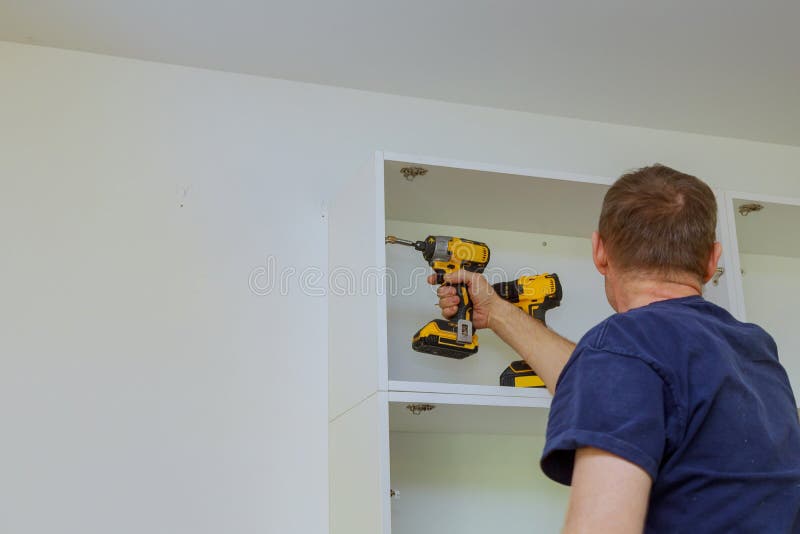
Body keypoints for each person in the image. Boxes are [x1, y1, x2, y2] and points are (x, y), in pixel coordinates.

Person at [430, 164, 800, 533]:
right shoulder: (754, 349)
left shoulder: (620, 351)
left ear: (599, 252)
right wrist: (495, 312)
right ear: (712, 260)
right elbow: (609, 383)